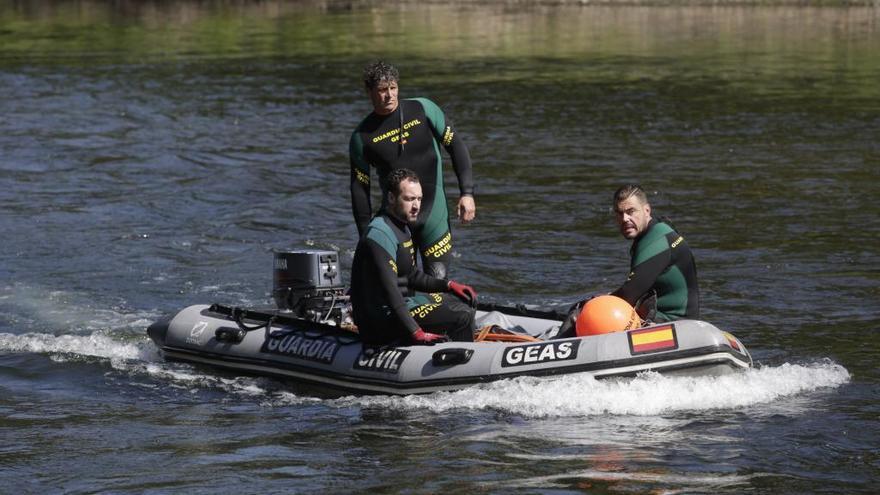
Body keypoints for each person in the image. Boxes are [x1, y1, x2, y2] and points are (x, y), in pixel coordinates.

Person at [349, 60, 476, 280]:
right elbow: (360, 189)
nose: (389, 95)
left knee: (437, 282)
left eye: (393, 87)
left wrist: (467, 193)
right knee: (400, 287)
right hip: (395, 221)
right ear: (369, 91)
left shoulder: (423, 109)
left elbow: (456, 146)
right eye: (381, 90)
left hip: (433, 214)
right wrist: (365, 238)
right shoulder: (362, 138)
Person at [350, 168, 478, 345]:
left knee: (464, 301)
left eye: (419, 199)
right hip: (379, 321)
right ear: (391, 198)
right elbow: (391, 292)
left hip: (400, 305)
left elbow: (411, 276)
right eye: (409, 199)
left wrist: (449, 285)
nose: (416, 205)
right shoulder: (380, 234)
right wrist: (416, 332)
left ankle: (452, 345)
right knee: (462, 316)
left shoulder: (402, 226)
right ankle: (463, 364)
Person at [610, 184, 700, 322]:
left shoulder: (656, 241)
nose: (624, 219)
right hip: (663, 316)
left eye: (630, 211)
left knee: (588, 312)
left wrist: (589, 304)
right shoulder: (656, 231)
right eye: (619, 213)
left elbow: (628, 295)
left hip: (673, 321)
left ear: (647, 210)